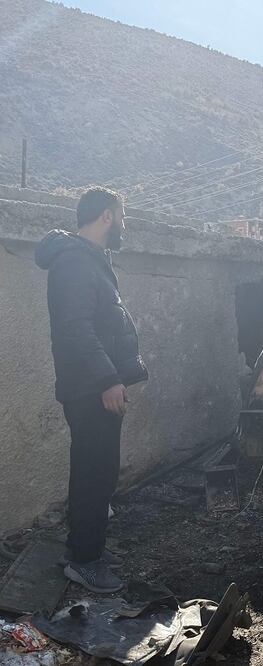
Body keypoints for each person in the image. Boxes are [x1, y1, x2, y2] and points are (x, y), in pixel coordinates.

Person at [34, 187, 148, 594]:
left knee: (96, 472)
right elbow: (76, 330)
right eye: (121, 216)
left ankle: (85, 551)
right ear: (105, 216)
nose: (124, 224)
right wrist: (108, 379)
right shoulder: (76, 265)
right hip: (91, 389)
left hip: (92, 385)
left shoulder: (89, 262)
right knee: (94, 472)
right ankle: (85, 562)